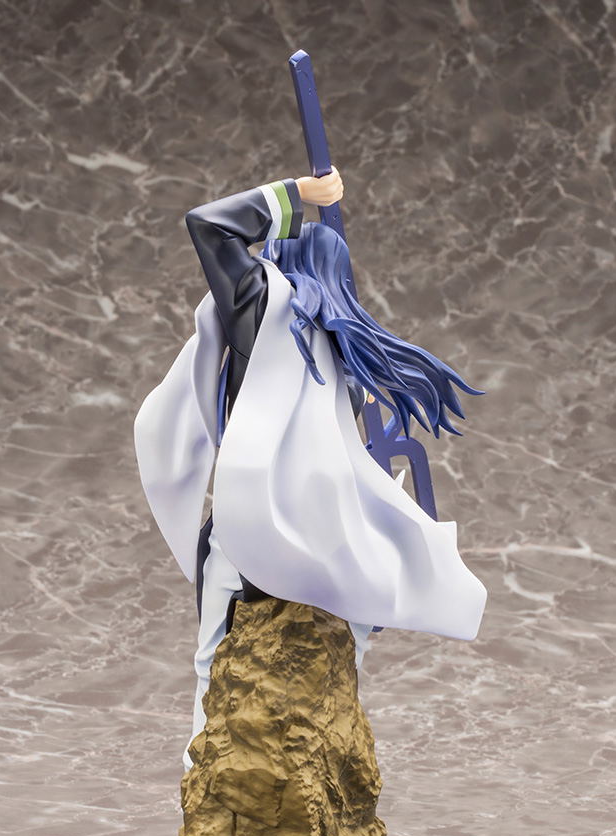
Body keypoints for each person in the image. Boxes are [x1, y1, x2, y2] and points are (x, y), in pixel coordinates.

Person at [133, 168, 488, 770]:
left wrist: (297, 195)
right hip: (327, 539)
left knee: (215, 657)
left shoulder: (266, 318)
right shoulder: (351, 350)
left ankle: (215, 768)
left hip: (255, 537)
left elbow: (208, 225)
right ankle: (276, 768)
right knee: (334, 643)